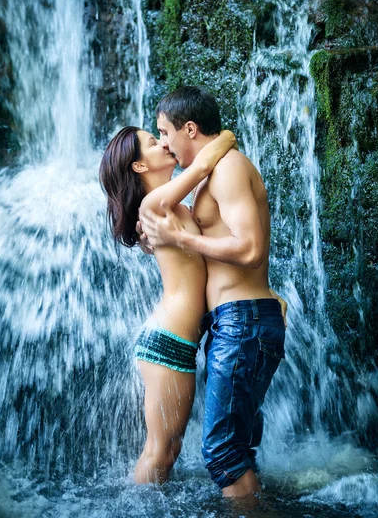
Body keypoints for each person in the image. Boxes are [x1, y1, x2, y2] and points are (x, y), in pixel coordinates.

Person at [139, 86, 287, 499]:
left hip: (243, 319)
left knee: (222, 452)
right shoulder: (210, 174)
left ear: (189, 128)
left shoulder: (230, 169)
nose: (164, 142)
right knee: (234, 448)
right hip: (236, 320)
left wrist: (181, 239)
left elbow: (251, 247)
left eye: (164, 132)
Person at [99, 125, 236, 484]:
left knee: (169, 449)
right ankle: (136, 508)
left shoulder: (170, 208)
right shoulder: (153, 204)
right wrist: (225, 137)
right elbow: (203, 166)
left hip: (176, 340)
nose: (163, 143)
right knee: (160, 451)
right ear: (140, 167)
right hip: (168, 342)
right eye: (152, 142)